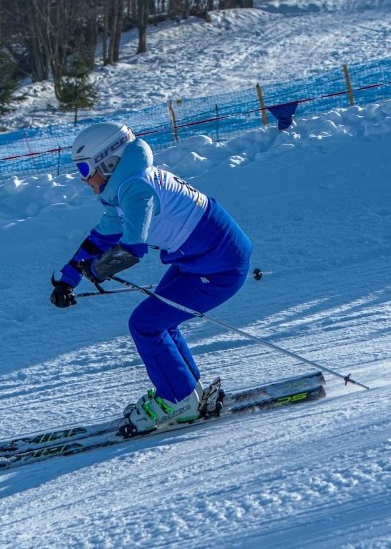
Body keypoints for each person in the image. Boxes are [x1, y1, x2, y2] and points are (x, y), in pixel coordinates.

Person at [50, 122, 253, 433]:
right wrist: (68, 278)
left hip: (219, 267)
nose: (83, 179)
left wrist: (94, 270)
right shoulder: (126, 186)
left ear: (108, 161)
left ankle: (177, 401)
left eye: (83, 168)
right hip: (201, 260)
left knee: (145, 324)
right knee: (158, 321)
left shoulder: (136, 189)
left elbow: (132, 248)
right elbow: (100, 238)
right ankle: (188, 394)